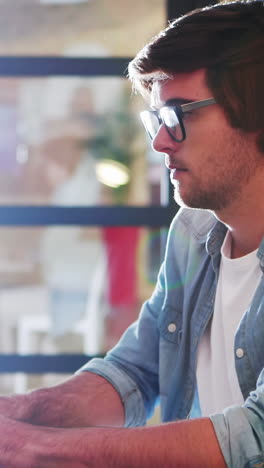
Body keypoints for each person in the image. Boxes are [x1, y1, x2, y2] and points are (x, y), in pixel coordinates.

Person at [0, 1, 263, 466]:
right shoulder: (194, 233)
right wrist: (20, 414)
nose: (160, 142)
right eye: (157, 120)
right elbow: (136, 371)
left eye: (180, 114)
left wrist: (36, 447)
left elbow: (254, 436)